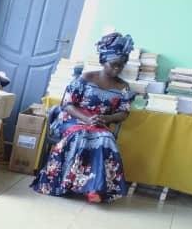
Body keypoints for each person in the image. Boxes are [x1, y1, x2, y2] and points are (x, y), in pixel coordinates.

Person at [32, 32, 135, 203]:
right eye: (114, 65)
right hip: (72, 118)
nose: (117, 69)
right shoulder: (86, 78)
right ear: (103, 61)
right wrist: (86, 119)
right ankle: (66, 184)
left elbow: (124, 112)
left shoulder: (123, 87)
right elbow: (67, 104)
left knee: (106, 139)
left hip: (99, 122)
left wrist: (107, 119)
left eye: (121, 66)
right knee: (81, 135)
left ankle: (94, 188)